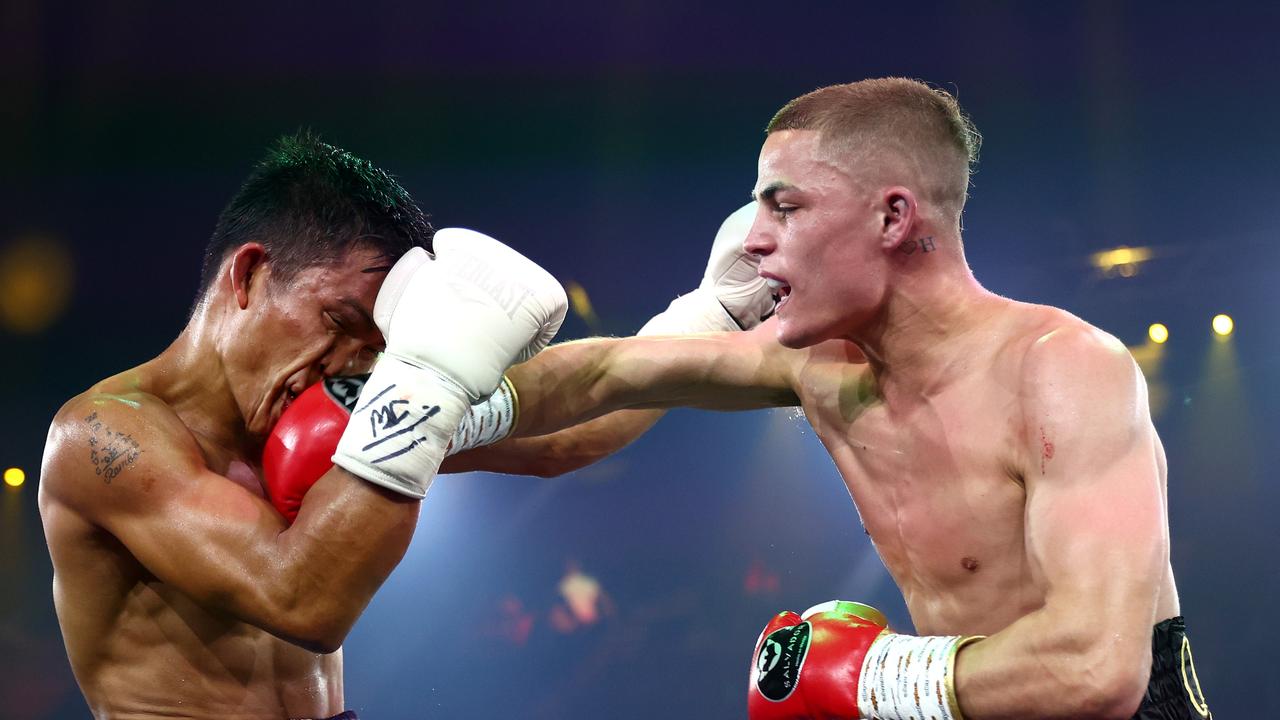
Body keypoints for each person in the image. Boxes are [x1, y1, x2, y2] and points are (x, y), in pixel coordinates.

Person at [458, 78, 1212, 718]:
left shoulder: (1065, 370)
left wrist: (870, 679)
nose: (752, 241)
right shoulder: (818, 367)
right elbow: (597, 390)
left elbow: (1099, 669)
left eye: (784, 207)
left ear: (892, 216)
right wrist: (416, 415)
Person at [37, 131, 567, 720]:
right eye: (338, 322)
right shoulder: (103, 435)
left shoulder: (314, 417)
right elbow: (301, 602)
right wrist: (438, 379)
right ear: (250, 274)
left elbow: (555, 444)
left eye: (373, 350)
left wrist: (688, 325)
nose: (346, 366)